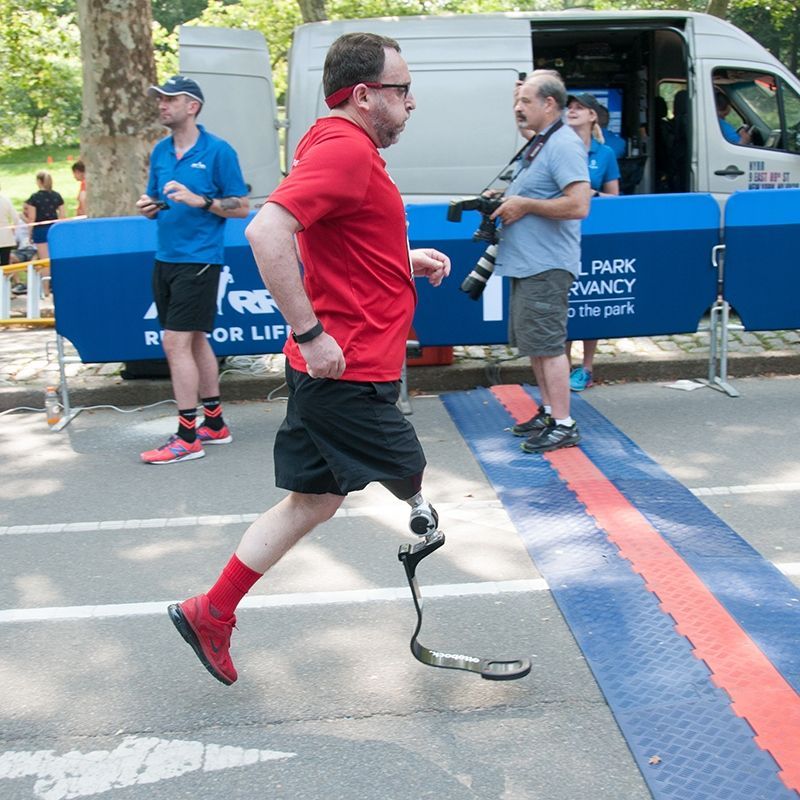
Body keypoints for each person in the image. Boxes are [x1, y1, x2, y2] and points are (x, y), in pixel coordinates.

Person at [166, 32, 451, 686]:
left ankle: (212, 612)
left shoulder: (332, 143)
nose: (412, 102)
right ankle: (419, 517)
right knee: (408, 470)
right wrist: (311, 329)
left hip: (337, 367)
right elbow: (266, 230)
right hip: (346, 369)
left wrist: (404, 261)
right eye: (402, 90)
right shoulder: (347, 153)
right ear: (364, 94)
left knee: (313, 502)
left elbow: (336, 239)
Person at [136, 76, 249, 464]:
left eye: (170, 99)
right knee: (196, 340)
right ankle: (214, 424)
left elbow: (240, 207)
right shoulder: (161, 151)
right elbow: (158, 198)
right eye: (159, 99)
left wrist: (200, 201)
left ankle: (187, 435)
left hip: (199, 260)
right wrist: (150, 205)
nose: (162, 105)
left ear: (193, 106)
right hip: (165, 257)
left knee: (175, 343)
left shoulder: (218, 151)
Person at [491, 70, 591, 454]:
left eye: (525, 101)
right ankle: (550, 412)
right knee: (537, 344)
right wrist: (506, 196)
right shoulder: (540, 144)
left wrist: (525, 204)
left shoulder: (562, 144)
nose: (518, 108)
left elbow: (579, 205)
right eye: (516, 102)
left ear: (550, 104)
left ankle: (564, 424)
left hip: (546, 264)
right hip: (528, 263)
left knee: (549, 346)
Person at [564, 93, 620, 393]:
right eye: (569, 107)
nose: (572, 111)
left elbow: (615, 197)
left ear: (592, 116)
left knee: (588, 302)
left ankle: (586, 367)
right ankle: (561, 365)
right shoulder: (557, 147)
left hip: (593, 234)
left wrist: (591, 196)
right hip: (561, 234)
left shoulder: (604, 153)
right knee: (566, 303)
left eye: (579, 108)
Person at [23, 171, 64, 296]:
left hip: (41, 230)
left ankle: (46, 289)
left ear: (39, 182)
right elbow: (62, 215)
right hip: (55, 230)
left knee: (45, 260)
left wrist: (29, 233)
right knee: (56, 258)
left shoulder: (34, 198)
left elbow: (32, 218)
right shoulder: (57, 196)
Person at [0, 184, 20, 269]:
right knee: (5, 264)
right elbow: (16, 217)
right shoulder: (5, 200)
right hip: (6, 236)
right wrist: (13, 227)